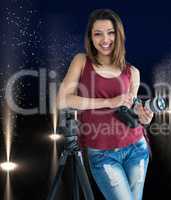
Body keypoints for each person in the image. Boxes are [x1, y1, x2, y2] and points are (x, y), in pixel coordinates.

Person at [57, 9, 153, 200]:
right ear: (90, 37)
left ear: (118, 35)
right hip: (102, 154)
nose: (105, 39)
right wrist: (109, 101)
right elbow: (62, 100)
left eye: (110, 32)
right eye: (97, 34)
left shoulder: (132, 71)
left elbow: (130, 109)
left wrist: (143, 116)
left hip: (137, 147)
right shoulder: (82, 61)